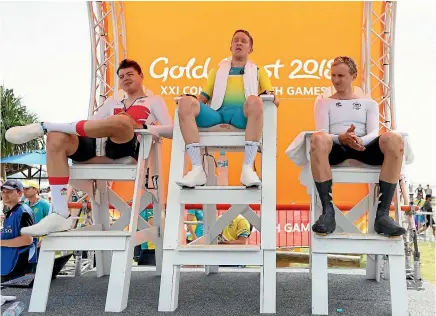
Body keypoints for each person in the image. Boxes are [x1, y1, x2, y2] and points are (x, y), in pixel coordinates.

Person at [5, 59, 174, 236]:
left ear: (141, 76)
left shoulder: (153, 101)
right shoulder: (112, 103)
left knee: (122, 121)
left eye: (130, 74)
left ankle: (47, 125)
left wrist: (143, 127)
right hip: (100, 147)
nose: (125, 78)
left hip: (130, 148)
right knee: (56, 138)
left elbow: (171, 130)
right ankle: (60, 213)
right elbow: (92, 125)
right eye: (122, 76)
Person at [309, 56, 405, 236]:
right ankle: (328, 213)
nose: (336, 80)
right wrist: (342, 138)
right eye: (333, 75)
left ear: (353, 76)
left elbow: (373, 133)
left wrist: (359, 141)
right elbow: (322, 131)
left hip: (364, 146)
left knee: (394, 138)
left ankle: (383, 216)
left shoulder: (369, 104)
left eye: (341, 76)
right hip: (336, 147)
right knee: (318, 138)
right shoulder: (323, 102)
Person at [175, 29, 279, 188]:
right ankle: (197, 169)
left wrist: (273, 97)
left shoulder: (258, 70)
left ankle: (247, 168)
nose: (239, 43)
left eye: (244, 41)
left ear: (250, 48)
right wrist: (189, 101)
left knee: (255, 101)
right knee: (185, 102)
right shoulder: (217, 70)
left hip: (241, 116)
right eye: (235, 40)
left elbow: (269, 93)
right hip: (217, 114)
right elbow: (203, 97)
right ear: (230, 46)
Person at [1, 180, 37, 282]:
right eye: (3, 192)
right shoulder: (12, 211)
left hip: (17, 265)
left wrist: (1, 242)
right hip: (8, 264)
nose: (5, 195)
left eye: (9, 192)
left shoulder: (23, 212)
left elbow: (27, 240)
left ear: (20, 193)